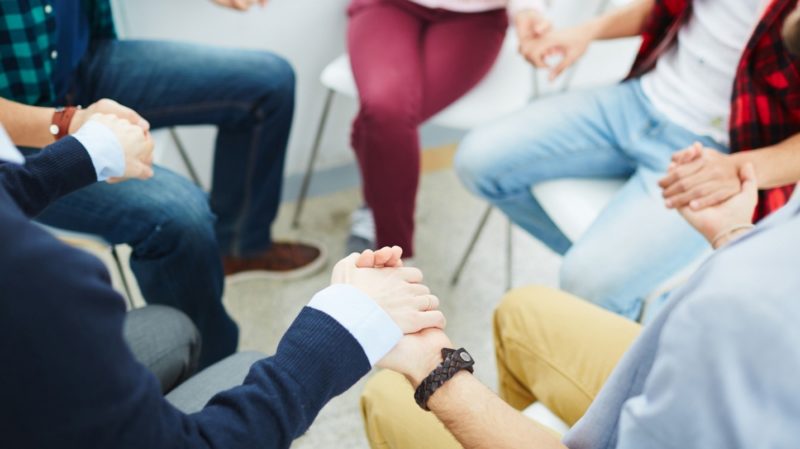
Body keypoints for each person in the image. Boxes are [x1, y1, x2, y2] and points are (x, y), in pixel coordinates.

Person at [0, 122, 447, 447]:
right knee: (245, 369)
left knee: (169, 327)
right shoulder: (49, 283)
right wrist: (341, 326)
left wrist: (83, 151)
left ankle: (242, 253)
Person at [0, 0, 324, 367]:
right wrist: (69, 123)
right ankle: (207, 373)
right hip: (15, 144)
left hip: (82, 67)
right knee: (177, 214)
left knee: (270, 82)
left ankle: (238, 247)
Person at [454, 0, 800, 320]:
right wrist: (587, 32)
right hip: (640, 99)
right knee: (476, 161)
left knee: (587, 282)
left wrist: (737, 169)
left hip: (719, 155)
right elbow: (664, 7)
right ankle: (621, 285)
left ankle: (613, 288)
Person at [345, 0, 550, 258]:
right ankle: (394, 251)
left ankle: (380, 219)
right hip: (389, 6)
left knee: (377, 123)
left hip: (474, 19)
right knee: (383, 114)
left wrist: (527, 9)